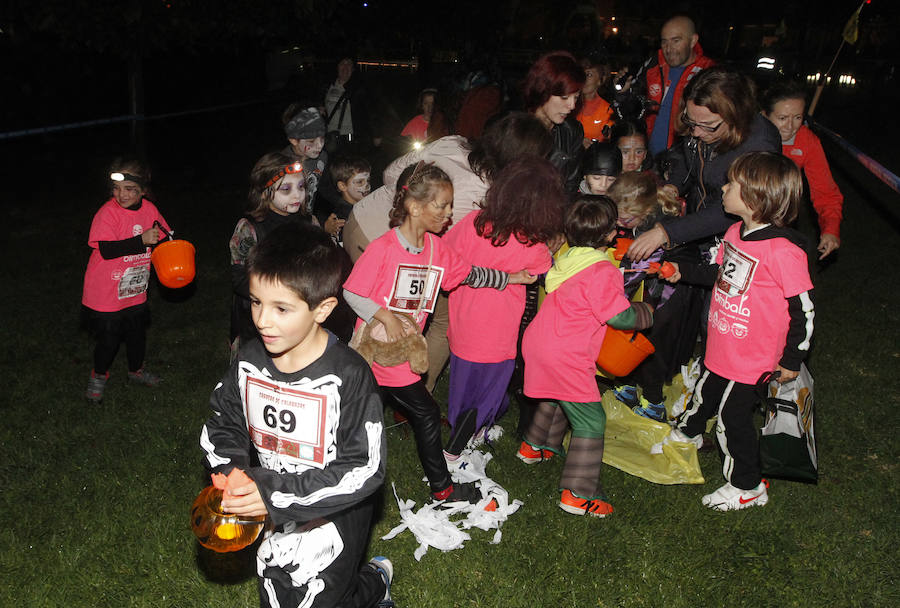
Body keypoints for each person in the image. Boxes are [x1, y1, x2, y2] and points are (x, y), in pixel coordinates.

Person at [200, 222, 393, 607]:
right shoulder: (250, 361)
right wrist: (232, 474)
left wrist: (273, 494)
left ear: (322, 309)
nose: (262, 321)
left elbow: (365, 467)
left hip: (333, 513)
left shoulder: (349, 376)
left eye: (281, 308)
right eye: (255, 302)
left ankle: (374, 582)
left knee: (325, 599)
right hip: (270, 507)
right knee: (275, 592)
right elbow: (223, 422)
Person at [343, 162, 536, 504]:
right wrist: (386, 317)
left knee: (360, 412)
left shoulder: (435, 249)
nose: (449, 213)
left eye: (450, 205)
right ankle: (442, 488)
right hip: (378, 351)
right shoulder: (384, 249)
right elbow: (353, 292)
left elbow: (470, 274)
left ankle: (344, 464)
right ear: (414, 207)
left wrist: (512, 278)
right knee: (426, 414)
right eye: (441, 205)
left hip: (403, 351)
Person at [660, 151, 815, 511]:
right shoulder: (734, 232)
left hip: (756, 357)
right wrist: (684, 273)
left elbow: (803, 309)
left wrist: (793, 357)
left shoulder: (784, 252)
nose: (724, 187)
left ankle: (747, 485)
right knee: (706, 388)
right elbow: (720, 276)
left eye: (732, 184)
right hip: (724, 343)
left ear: (755, 197)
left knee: (731, 417)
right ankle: (689, 432)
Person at [517, 196, 654, 517]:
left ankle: (535, 446)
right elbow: (619, 317)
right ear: (610, 235)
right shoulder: (601, 270)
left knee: (557, 394)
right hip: (566, 352)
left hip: (539, 342)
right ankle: (579, 493)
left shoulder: (568, 259)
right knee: (591, 419)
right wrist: (646, 312)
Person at [441, 156, 562, 457]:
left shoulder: (472, 223)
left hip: (463, 326)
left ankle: (461, 429)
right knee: (490, 390)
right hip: (498, 335)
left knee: (462, 386)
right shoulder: (533, 245)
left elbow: (445, 254)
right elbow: (548, 272)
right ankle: (467, 439)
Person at [628, 66, 782, 263]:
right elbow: (688, 155)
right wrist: (673, 186)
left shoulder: (760, 147)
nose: (696, 132)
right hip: (696, 224)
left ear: (735, 116)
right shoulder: (701, 122)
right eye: (691, 122)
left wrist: (666, 232)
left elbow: (737, 208)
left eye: (707, 126)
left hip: (733, 243)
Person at [82, 158, 169, 402]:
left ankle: (136, 371)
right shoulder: (107, 213)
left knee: (136, 334)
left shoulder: (149, 210)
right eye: (117, 189)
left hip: (135, 288)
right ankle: (98, 376)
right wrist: (140, 240)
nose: (121, 195)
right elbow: (107, 250)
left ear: (143, 190)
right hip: (106, 291)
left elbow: (165, 236)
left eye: (129, 189)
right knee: (108, 340)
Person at [606, 172, 684, 421]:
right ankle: (628, 385)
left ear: (644, 209)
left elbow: (633, 272)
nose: (618, 225)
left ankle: (653, 403)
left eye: (624, 220)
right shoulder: (647, 218)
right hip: (650, 291)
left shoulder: (653, 229)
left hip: (662, 298)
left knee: (650, 347)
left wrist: (610, 287)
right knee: (629, 338)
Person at [230, 153, 314, 353]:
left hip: (299, 316)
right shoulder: (249, 228)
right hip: (259, 322)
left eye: (301, 187)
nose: (297, 195)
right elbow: (240, 279)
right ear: (264, 192)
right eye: (286, 189)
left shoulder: (309, 223)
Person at [762, 80, 843, 259]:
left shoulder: (807, 141)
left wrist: (830, 229)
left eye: (798, 118)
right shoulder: (747, 133)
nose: (790, 127)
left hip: (779, 218)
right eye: (782, 118)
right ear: (765, 115)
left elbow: (826, 192)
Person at [645, 14, 715, 157]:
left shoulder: (709, 73)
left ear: (693, 40)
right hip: (648, 157)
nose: (668, 49)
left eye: (676, 41)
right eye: (664, 42)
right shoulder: (653, 65)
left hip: (684, 158)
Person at [522, 50, 586, 192]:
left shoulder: (571, 132)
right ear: (542, 90)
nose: (572, 106)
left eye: (576, 97)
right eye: (564, 97)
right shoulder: (513, 129)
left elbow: (570, 186)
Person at [314, 155, 372, 245]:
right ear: (342, 186)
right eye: (360, 182)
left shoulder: (365, 206)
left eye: (368, 180)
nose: (367, 186)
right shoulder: (341, 221)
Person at [281, 104, 328, 211]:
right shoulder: (281, 166)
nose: (320, 145)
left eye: (322, 138)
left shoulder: (322, 157)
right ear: (294, 140)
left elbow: (325, 187)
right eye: (311, 141)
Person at [575, 55, 615, 148]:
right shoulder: (568, 105)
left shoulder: (608, 111)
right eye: (581, 74)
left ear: (601, 80)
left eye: (589, 75)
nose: (583, 79)